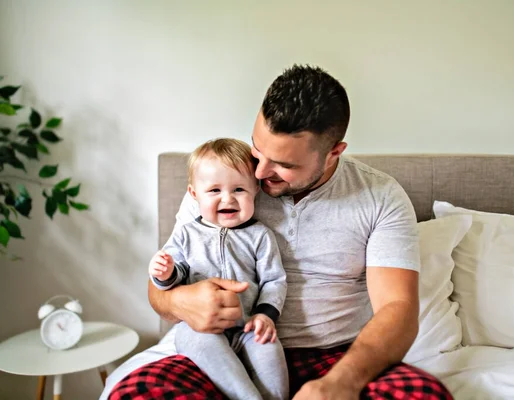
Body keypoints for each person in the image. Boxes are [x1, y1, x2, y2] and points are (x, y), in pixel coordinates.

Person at [103, 64, 453, 400]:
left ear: (333, 152)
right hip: (224, 348)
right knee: (134, 394)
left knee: (422, 395)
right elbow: (161, 287)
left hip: (337, 356)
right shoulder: (223, 180)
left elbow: (398, 308)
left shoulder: (380, 196)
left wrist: (342, 382)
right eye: (258, 148)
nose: (259, 171)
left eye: (284, 165)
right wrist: (180, 301)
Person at [148, 138, 288, 400]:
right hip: (199, 328)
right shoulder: (187, 234)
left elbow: (274, 280)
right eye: (214, 190)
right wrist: (164, 274)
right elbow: (174, 275)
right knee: (204, 346)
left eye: (238, 189)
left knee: (269, 353)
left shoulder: (260, 236)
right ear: (194, 194)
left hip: (249, 326)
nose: (228, 198)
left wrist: (265, 315)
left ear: (255, 190)